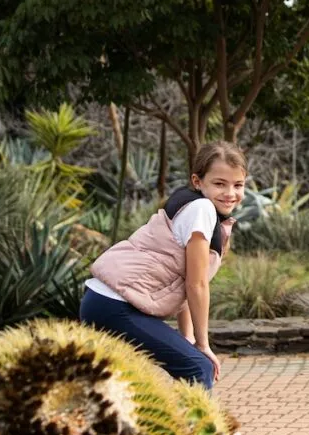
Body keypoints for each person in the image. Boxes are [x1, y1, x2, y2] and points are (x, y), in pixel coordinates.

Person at [79, 141, 247, 388]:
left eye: (238, 185)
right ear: (198, 181)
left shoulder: (195, 205)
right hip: (116, 305)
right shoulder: (203, 209)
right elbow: (196, 284)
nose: (230, 193)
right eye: (219, 183)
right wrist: (202, 345)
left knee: (125, 386)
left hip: (104, 299)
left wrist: (188, 337)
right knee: (199, 367)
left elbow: (187, 282)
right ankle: (199, 428)